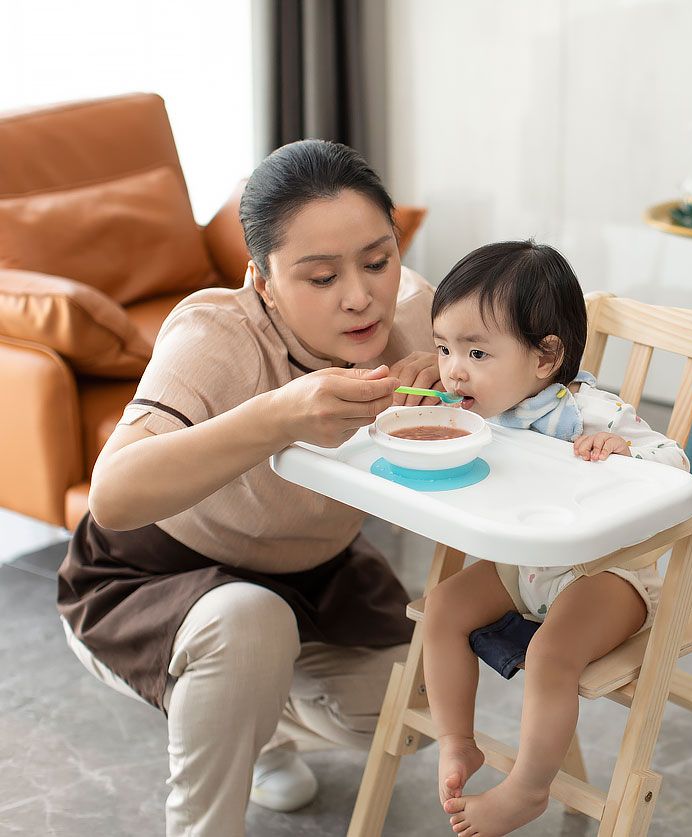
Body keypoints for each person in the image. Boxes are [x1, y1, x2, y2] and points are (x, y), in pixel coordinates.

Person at [56, 139, 446, 836]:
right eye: (320, 277)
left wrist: (460, 378)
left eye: (377, 261)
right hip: (155, 574)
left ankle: (247, 716)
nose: (360, 296)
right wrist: (277, 417)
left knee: (428, 702)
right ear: (262, 282)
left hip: (319, 572)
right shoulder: (215, 333)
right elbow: (112, 494)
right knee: (247, 625)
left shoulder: (417, 313)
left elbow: (525, 377)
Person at [418, 241, 689, 836]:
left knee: (549, 655)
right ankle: (456, 741)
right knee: (442, 609)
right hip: (527, 567)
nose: (454, 369)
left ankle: (528, 789)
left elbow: (675, 463)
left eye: (476, 352)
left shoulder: (589, 411)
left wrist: (622, 451)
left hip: (610, 576)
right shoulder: (482, 409)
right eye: (444, 348)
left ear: (545, 357)